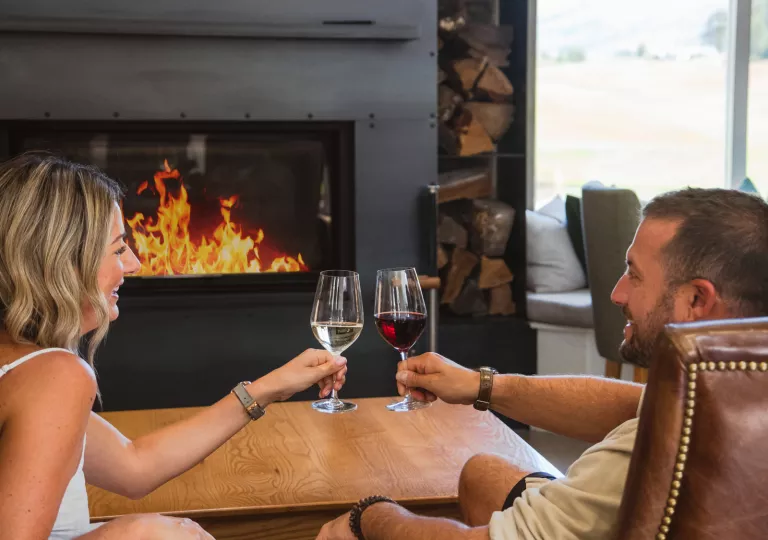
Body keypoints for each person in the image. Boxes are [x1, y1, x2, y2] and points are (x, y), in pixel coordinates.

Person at [318, 187, 768, 540]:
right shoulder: (732, 394)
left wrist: (370, 516)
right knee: (482, 473)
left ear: (697, 300)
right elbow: (635, 404)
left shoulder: (645, 451)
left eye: (634, 274)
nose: (617, 293)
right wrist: (481, 386)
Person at [0, 153, 349, 540]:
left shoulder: (24, 363)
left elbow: (134, 466)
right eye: (118, 249)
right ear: (64, 261)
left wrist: (268, 388)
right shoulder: (56, 376)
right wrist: (132, 532)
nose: (134, 264)